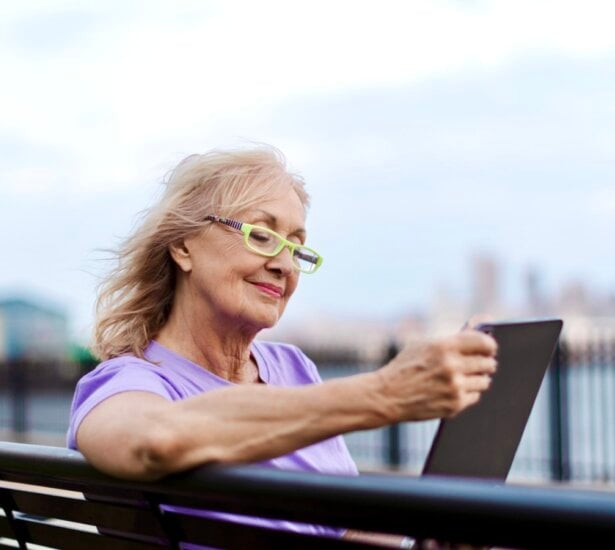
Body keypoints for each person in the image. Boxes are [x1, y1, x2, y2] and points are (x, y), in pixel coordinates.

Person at [67, 145, 498, 545]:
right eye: (262, 235)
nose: (286, 265)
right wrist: (388, 392)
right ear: (182, 245)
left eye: (297, 247)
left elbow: (344, 532)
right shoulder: (125, 383)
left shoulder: (292, 367)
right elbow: (154, 438)